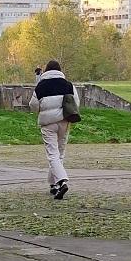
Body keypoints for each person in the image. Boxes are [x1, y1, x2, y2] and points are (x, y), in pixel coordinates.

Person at [30, 58, 78, 199]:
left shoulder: (41, 86)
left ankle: (62, 181)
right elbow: (76, 103)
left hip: (48, 123)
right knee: (60, 153)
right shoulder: (68, 85)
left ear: (46, 71)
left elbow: (33, 105)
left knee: (52, 154)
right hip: (64, 121)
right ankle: (53, 184)